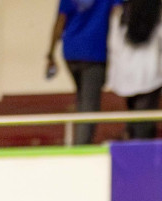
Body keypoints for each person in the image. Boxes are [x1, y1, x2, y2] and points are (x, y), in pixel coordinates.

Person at [106, 0, 162, 141]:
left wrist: (116, 72)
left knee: (135, 118)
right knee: (145, 123)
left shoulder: (122, 11)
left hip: (126, 75)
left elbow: (114, 45)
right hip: (151, 73)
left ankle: (133, 145)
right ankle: (141, 154)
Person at [47, 0, 122, 145]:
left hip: (71, 52)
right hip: (95, 52)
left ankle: (80, 141)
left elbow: (60, 22)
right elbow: (118, 14)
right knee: (90, 104)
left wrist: (50, 54)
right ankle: (82, 146)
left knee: (82, 98)